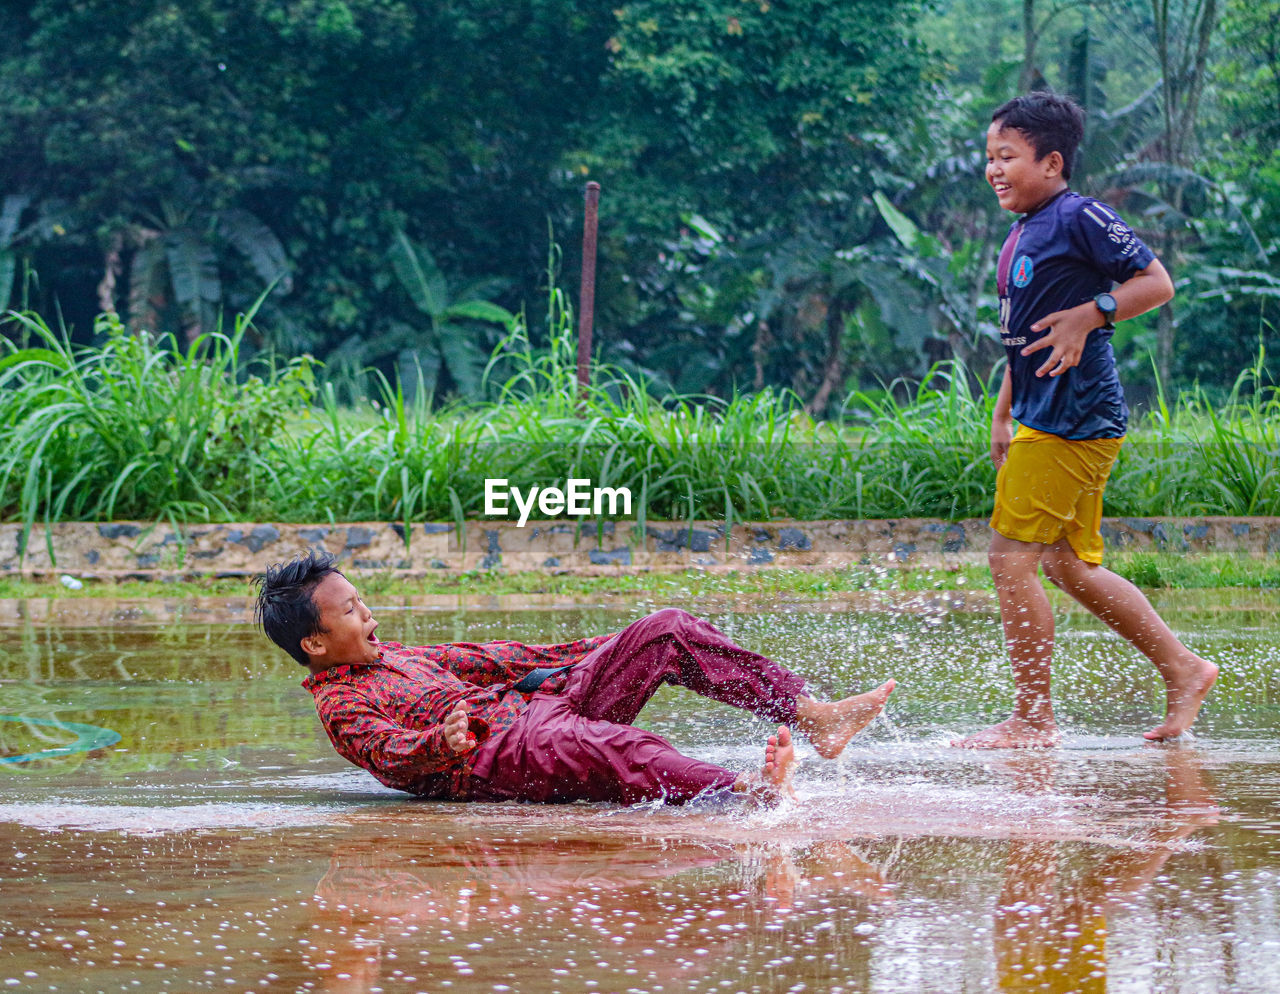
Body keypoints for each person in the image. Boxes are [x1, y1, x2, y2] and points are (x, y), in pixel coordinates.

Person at [955, 91, 1218, 749]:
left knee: (1009, 561)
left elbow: (1156, 283)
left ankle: (1033, 720)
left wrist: (1093, 311)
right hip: (1044, 416)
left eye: (1006, 156)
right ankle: (1185, 669)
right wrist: (1002, 411)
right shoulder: (1020, 234)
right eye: (989, 157)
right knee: (1069, 566)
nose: (993, 169)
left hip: (1073, 419)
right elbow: (1024, 336)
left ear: (1051, 161)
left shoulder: (1081, 216)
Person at [254, 549, 895, 806]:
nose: (369, 615)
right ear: (315, 643)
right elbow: (385, 758)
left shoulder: (399, 656)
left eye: (361, 602)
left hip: (542, 705)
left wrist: (613, 648)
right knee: (625, 751)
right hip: (495, 754)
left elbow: (505, 658)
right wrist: (436, 745)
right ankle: (750, 794)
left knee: (667, 628)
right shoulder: (339, 704)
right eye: (350, 612)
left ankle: (812, 716)